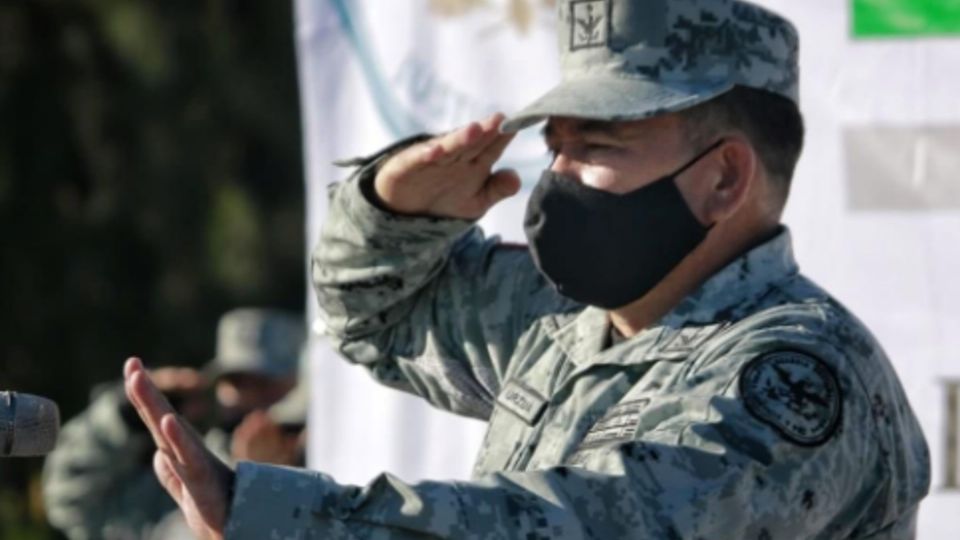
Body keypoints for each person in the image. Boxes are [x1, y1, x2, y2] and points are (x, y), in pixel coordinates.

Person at [122, 0, 931, 538]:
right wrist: (391, 213)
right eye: (556, 147)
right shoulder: (567, 322)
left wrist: (278, 516)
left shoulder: (798, 376)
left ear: (724, 179)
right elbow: (376, 319)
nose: (557, 179)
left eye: (598, 147)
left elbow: (590, 527)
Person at [43, 308, 305, 540]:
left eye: (265, 384)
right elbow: (72, 504)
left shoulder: (331, 441)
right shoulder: (192, 471)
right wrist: (126, 418)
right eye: (236, 382)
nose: (246, 397)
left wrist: (272, 482)